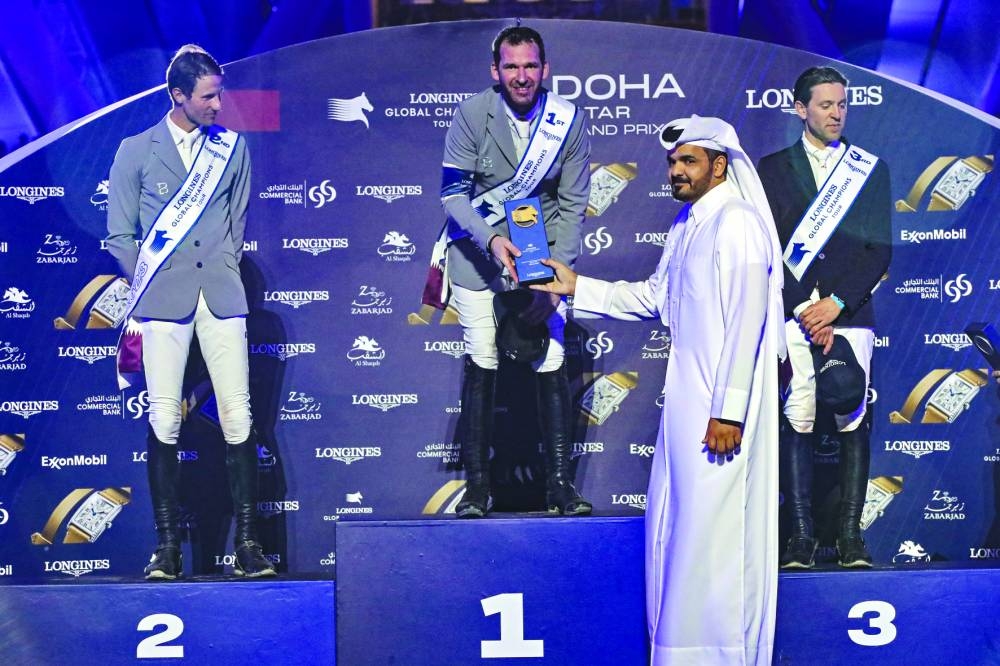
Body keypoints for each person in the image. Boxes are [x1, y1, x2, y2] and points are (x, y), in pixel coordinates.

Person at [533, 116, 782, 665]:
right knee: (682, 534)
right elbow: (653, 297)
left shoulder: (737, 222)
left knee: (715, 540)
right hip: (688, 407)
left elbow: (747, 325)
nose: (677, 171)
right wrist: (577, 286)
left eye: (688, 161)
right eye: (673, 162)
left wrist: (730, 413)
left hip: (721, 415)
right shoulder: (688, 221)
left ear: (719, 166)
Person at [106, 45, 275, 579]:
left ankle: (248, 545)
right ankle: (167, 549)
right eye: (208, 96)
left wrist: (221, 264)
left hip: (221, 296)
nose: (218, 105)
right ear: (178, 96)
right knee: (163, 419)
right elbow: (119, 235)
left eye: (220, 94)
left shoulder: (233, 148)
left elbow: (237, 220)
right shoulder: (136, 149)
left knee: (238, 415)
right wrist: (151, 281)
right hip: (162, 300)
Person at [431, 25, 592, 517]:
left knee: (551, 359)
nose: (521, 77)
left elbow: (572, 202)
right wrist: (491, 240)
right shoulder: (471, 113)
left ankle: (560, 486)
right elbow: (454, 195)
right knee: (483, 360)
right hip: (478, 257)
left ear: (544, 69)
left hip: (539, 258)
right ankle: (478, 490)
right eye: (511, 67)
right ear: (495, 71)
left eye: (530, 66)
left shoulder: (566, 119)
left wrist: (555, 275)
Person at [757, 66, 892, 569]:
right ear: (800, 109)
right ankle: (800, 537)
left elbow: (879, 249)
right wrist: (802, 308)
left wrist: (835, 304)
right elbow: (769, 250)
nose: (836, 114)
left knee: (851, 413)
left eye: (842, 105)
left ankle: (851, 536)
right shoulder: (771, 170)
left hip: (849, 313)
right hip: (794, 315)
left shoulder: (868, 169)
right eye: (826, 105)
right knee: (800, 415)